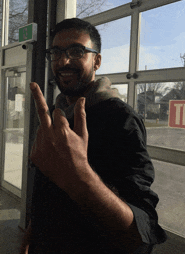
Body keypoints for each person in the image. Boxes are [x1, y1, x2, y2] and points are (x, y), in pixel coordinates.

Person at [20, 18, 167, 254]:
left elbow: (141, 232)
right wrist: (31, 234)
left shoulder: (120, 119)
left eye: (76, 51)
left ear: (96, 61)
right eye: (56, 52)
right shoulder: (57, 115)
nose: (63, 61)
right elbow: (47, 191)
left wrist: (81, 178)